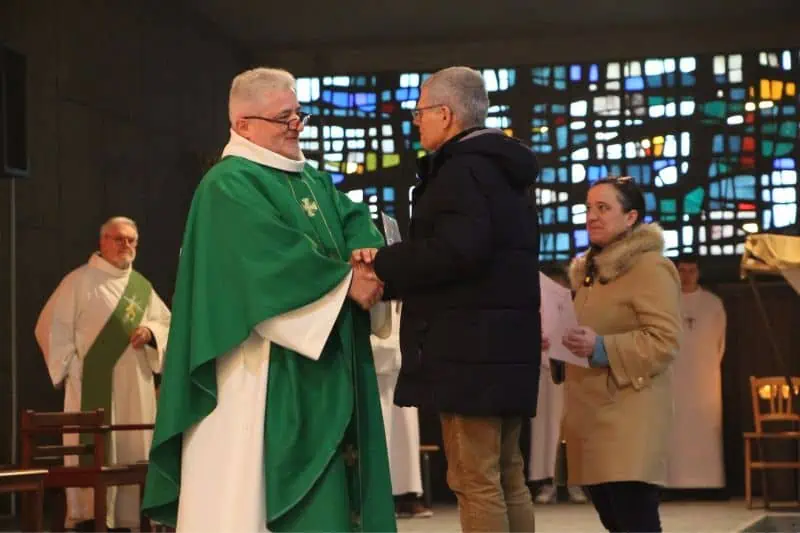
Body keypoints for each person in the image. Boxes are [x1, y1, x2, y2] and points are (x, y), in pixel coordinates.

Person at [141, 67, 396, 533]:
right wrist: (346, 283)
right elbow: (262, 264)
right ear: (243, 125)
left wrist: (370, 260)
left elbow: (354, 218)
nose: (297, 125)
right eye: (284, 118)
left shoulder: (312, 181)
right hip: (255, 369)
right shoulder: (227, 186)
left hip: (321, 359)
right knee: (247, 501)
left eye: (299, 114)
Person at [352, 66, 540, 532]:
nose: (416, 121)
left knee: (474, 479)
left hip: (468, 347)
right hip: (505, 344)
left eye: (419, 112)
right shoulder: (503, 167)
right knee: (507, 474)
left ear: (446, 113)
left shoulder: (462, 170)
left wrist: (385, 262)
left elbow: (457, 252)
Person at [558, 176, 682, 532]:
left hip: (628, 415)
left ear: (631, 218)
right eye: (588, 208)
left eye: (603, 208)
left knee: (635, 521)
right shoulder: (587, 272)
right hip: (592, 417)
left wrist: (601, 347)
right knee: (616, 522)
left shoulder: (650, 267)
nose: (592, 216)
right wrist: (558, 343)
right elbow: (582, 331)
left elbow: (664, 340)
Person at [35, 216, 171, 530]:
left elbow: (167, 324)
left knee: (132, 451)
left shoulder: (142, 288)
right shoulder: (78, 282)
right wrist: (73, 366)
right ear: (102, 242)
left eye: (132, 240)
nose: (126, 246)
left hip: (135, 385)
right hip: (91, 387)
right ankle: (89, 519)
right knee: (95, 455)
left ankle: (131, 520)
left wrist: (151, 333)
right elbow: (49, 326)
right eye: (119, 239)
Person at [666, 256, 727, 490]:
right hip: (673, 377)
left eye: (692, 271)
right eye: (682, 270)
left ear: (698, 273)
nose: (687, 275)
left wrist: (704, 366)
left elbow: (720, 343)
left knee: (704, 428)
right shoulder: (665, 303)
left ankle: (708, 483)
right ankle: (674, 484)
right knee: (675, 430)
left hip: (704, 378)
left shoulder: (713, 304)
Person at [530, 267, 588, 505]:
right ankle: (547, 480)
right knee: (545, 430)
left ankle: (574, 481)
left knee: (572, 429)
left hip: (572, 375)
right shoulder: (534, 310)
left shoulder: (577, 309)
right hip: (545, 375)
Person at [372, 301, 433, 519]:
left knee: (405, 428)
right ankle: (380, 494)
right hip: (376, 344)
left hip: (401, 346)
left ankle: (408, 493)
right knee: (379, 426)